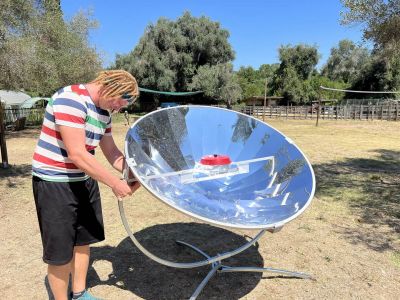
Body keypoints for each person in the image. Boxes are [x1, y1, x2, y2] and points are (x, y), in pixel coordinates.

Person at [32, 70, 140, 300]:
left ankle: (79, 293)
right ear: (108, 88)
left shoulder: (104, 112)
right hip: (55, 183)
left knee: (83, 241)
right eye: (119, 101)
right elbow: (77, 154)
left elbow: (111, 152)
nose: (119, 108)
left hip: (83, 180)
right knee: (60, 253)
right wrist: (114, 183)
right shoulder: (70, 99)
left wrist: (135, 172)